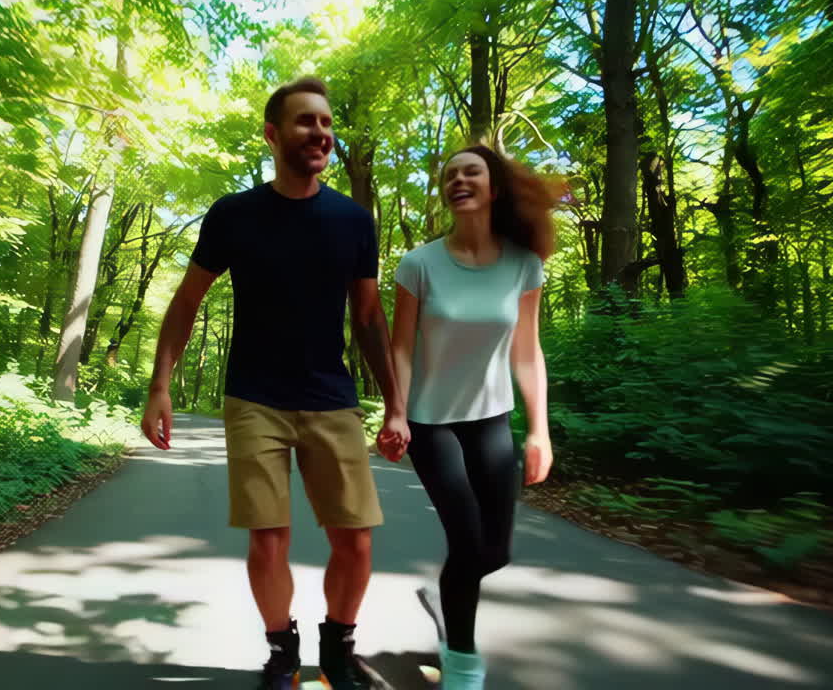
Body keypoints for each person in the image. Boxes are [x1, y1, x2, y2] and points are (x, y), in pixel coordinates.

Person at [141, 76, 410, 690]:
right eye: (305, 122)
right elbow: (186, 303)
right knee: (269, 540)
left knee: (357, 544)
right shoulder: (235, 215)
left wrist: (396, 406)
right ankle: (282, 652)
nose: (320, 133)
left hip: (332, 399)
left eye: (326, 123)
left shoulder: (352, 219)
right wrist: (161, 383)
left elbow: (369, 317)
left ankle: (337, 650)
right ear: (272, 133)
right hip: (255, 397)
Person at [389, 145, 560, 690]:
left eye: (471, 171)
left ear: (494, 186)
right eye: (449, 174)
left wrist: (539, 430)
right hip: (431, 422)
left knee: (496, 552)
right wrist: (396, 412)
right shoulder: (419, 264)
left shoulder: (523, 265)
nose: (458, 179)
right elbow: (401, 350)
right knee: (467, 544)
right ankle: (461, 662)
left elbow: (527, 352)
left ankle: (444, 596)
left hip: (491, 420)